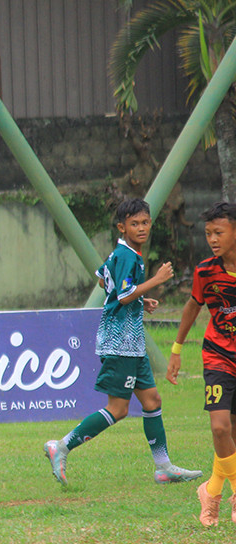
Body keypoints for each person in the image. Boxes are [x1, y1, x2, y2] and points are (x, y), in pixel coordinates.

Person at [44, 198, 201, 486]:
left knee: (152, 400)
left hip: (132, 342)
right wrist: (155, 281)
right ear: (122, 227)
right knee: (118, 409)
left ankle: (164, 467)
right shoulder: (129, 256)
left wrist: (141, 300)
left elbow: (105, 281)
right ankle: (61, 446)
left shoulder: (122, 253)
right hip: (120, 341)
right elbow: (122, 295)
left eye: (145, 222)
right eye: (134, 224)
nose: (141, 228)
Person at [167, 201, 236, 526]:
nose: (212, 239)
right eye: (208, 233)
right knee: (220, 426)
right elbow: (192, 308)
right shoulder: (205, 271)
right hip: (217, 357)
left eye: (218, 232)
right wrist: (177, 350)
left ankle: (210, 492)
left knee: (231, 435)